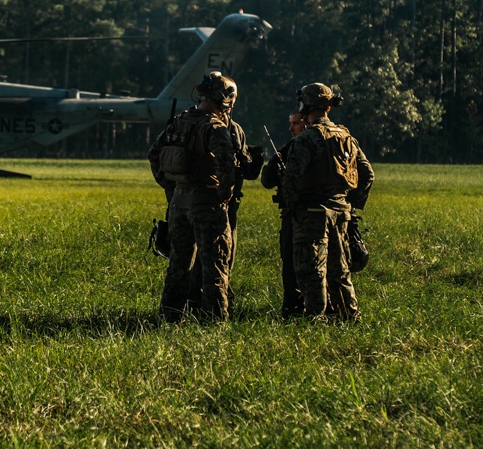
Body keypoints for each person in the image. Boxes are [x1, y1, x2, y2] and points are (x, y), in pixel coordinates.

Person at [148, 72, 260, 322]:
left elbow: (154, 155)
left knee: (178, 264)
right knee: (215, 264)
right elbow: (226, 168)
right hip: (207, 204)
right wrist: (224, 196)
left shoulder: (178, 122)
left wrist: (171, 188)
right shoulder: (214, 127)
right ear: (226, 100)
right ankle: (215, 321)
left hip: (178, 203)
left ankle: (170, 317)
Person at [281, 83, 374, 322]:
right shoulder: (346, 137)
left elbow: (291, 179)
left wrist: (292, 208)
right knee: (340, 272)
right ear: (329, 107)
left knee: (312, 271)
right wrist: (350, 205)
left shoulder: (307, 139)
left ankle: (315, 319)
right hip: (340, 215)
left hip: (311, 214)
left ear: (305, 106)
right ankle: (349, 317)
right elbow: (367, 174)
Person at [260, 109, 307, 318]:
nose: (290, 128)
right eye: (290, 123)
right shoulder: (287, 149)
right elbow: (267, 181)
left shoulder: (307, 145)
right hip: (292, 214)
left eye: (295, 124)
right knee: (289, 265)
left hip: (303, 214)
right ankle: (293, 310)